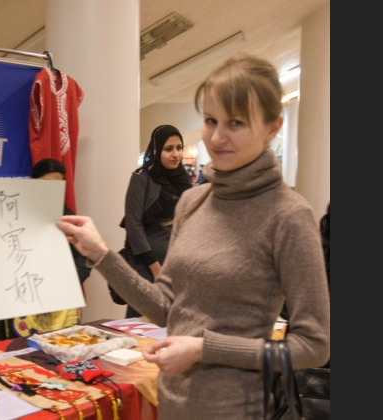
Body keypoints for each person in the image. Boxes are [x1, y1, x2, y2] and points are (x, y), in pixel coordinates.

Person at [56, 53, 330, 419]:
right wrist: (102, 255)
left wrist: (202, 349)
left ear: (272, 128)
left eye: (236, 123)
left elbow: (314, 346)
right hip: (173, 401)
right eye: (210, 120)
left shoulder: (289, 215)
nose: (216, 137)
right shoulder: (193, 201)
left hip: (236, 410)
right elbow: (165, 307)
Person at [0, 158, 91, 343]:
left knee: (58, 357)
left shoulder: (69, 218)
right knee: (11, 358)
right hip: (11, 312)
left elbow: (84, 258)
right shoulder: (5, 214)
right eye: (45, 184)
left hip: (59, 312)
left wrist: (67, 284)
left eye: (57, 185)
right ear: (33, 184)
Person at [115, 124, 192, 318]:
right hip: (147, 266)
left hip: (177, 267)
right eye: (168, 149)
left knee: (175, 323)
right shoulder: (142, 178)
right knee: (141, 323)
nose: (175, 154)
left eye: (179, 148)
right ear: (157, 151)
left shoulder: (184, 180)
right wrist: (156, 268)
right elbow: (133, 226)